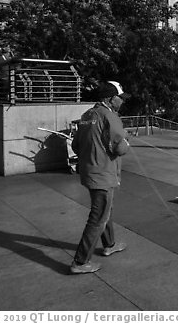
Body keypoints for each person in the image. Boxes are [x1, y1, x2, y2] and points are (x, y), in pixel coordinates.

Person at [70, 81, 130, 274]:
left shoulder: (88, 115)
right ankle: (80, 262)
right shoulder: (110, 116)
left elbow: (76, 146)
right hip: (103, 173)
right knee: (98, 216)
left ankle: (109, 244)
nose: (122, 101)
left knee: (105, 209)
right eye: (120, 97)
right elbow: (119, 147)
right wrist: (127, 142)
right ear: (109, 99)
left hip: (90, 171)